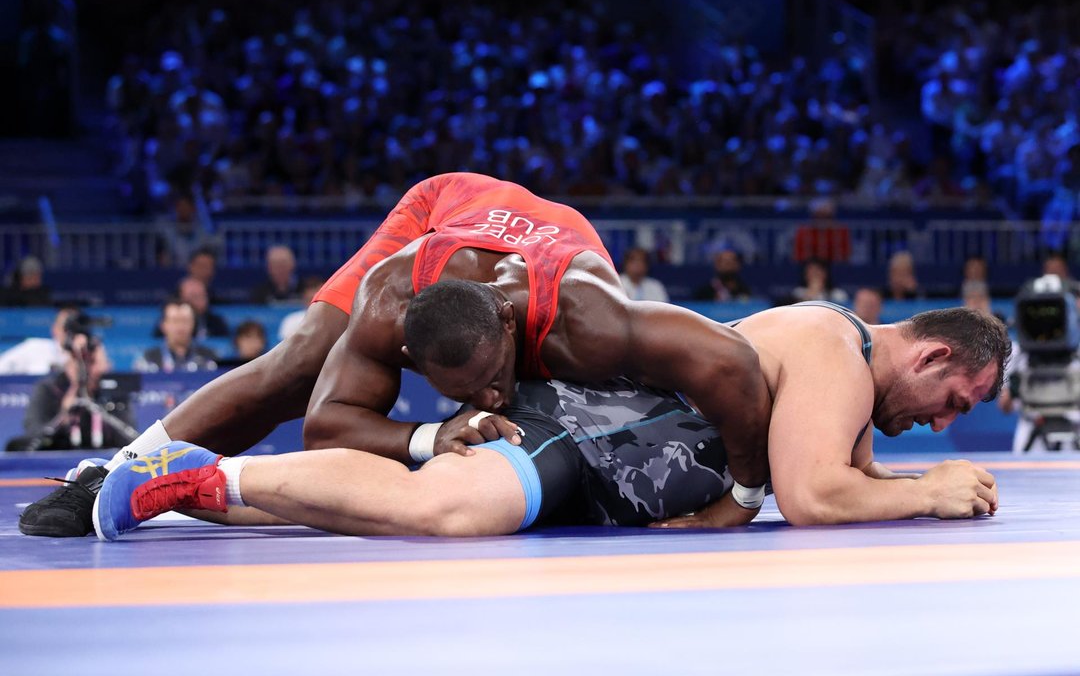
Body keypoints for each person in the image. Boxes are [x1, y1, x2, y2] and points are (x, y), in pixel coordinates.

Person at [22, 173, 769, 537]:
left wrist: (742, 498)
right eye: (467, 393)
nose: (492, 400)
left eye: (493, 383)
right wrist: (430, 434)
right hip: (441, 210)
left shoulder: (592, 323)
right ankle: (112, 470)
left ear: (511, 332)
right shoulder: (390, 301)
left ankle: (191, 483)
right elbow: (326, 422)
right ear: (408, 350)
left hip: (535, 245)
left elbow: (731, 362)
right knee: (301, 360)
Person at [92, 304, 1011, 540]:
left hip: (611, 456)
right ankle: (193, 471)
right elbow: (812, 498)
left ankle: (191, 490)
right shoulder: (830, 345)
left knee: (403, 503)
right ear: (929, 357)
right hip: (597, 435)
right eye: (955, 403)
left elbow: (834, 479)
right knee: (445, 512)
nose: (941, 426)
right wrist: (926, 492)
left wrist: (900, 487)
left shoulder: (838, 362)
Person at [13, 333, 136, 454]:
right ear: (67, 364)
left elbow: (129, 441)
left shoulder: (113, 391)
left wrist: (97, 406)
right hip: (56, 464)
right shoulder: (49, 389)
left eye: (92, 362)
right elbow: (33, 435)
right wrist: (63, 416)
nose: (85, 368)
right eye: (78, 361)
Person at [133, 298, 219, 373]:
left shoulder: (210, 357)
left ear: (193, 324)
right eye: (175, 321)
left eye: (185, 321)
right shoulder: (148, 358)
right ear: (163, 325)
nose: (180, 327)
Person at [0, 307, 77, 375]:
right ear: (55, 329)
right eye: (66, 327)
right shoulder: (35, 348)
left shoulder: (86, 353)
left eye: (74, 328)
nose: (70, 333)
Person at [277, 276, 326, 341]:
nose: (314, 304)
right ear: (304, 298)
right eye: (310, 299)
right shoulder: (291, 320)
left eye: (317, 300)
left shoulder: (333, 320)